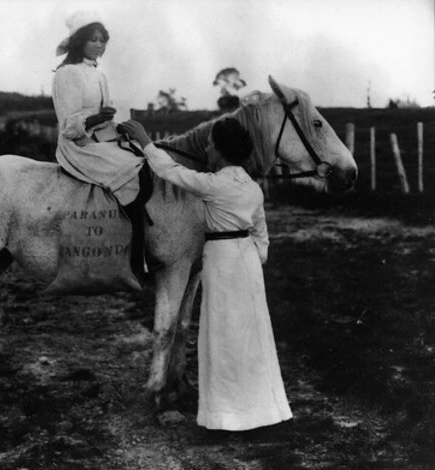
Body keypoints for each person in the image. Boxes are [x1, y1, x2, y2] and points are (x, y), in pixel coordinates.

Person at [117, 117, 293, 431]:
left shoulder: (214, 184)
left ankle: (229, 417)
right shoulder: (253, 188)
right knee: (252, 335)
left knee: (222, 335)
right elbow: (262, 238)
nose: (207, 147)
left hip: (222, 260)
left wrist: (146, 142)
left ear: (221, 151)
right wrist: (251, 261)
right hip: (248, 263)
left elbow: (170, 171)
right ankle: (261, 410)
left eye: (211, 143)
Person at [52, 10, 144, 207]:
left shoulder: (98, 75)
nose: (99, 45)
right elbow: (68, 129)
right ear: (80, 42)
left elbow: (107, 115)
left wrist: (118, 126)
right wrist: (97, 118)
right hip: (79, 146)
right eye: (93, 40)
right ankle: (128, 226)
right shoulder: (67, 73)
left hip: (103, 138)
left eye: (102, 40)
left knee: (144, 158)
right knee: (130, 169)